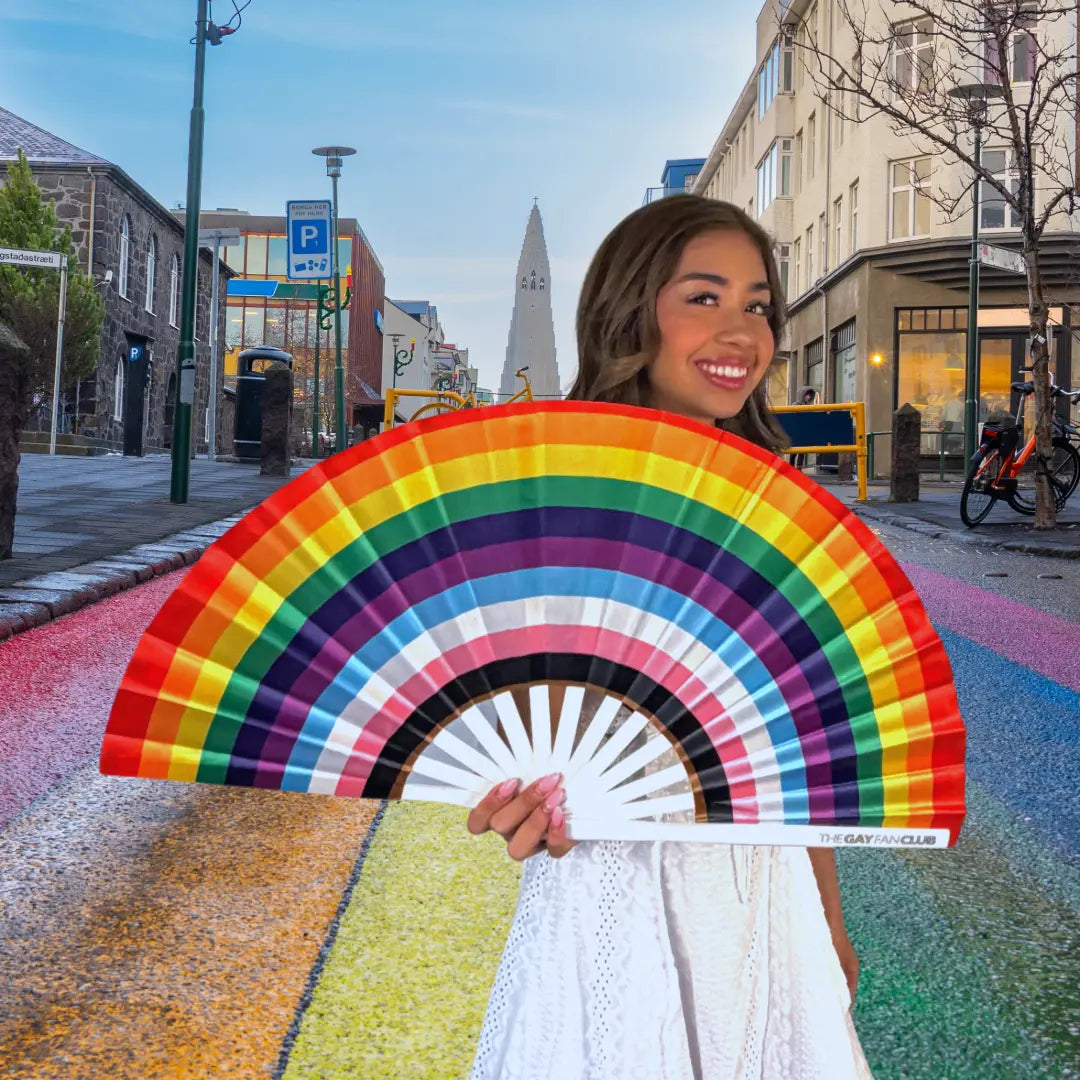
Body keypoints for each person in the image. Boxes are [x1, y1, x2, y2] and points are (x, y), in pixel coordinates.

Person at [466, 195, 872, 1080]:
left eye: (758, 305)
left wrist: (829, 914)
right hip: (613, 889)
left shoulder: (777, 510)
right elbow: (508, 716)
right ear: (631, 311)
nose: (741, 332)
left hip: (763, 892)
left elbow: (796, 743)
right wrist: (515, 792)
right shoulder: (557, 500)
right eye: (704, 297)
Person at [791, 385, 819, 470]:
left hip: (804, 430)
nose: (808, 397)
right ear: (802, 395)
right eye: (806, 395)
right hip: (796, 430)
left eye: (809, 395)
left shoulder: (809, 405)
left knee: (802, 450)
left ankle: (799, 467)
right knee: (794, 450)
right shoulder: (795, 404)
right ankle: (791, 466)